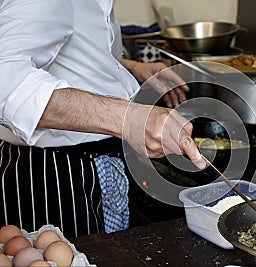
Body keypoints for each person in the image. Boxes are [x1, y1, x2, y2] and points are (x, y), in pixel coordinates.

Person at [0, 0, 206, 238]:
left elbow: (70, 42)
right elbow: (6, 82)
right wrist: (127, 119)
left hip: (93, 162)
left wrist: (125, 68)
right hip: (53, 174)